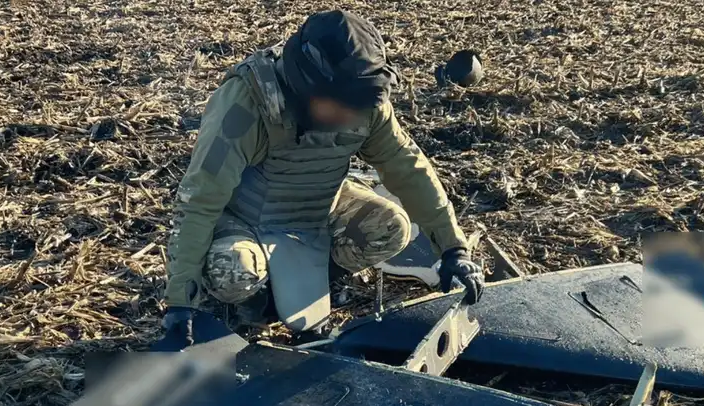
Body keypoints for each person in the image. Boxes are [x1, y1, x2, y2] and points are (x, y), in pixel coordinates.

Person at [160, 9, 484, 344]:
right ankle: (253, 302)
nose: (350, 116)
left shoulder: (363, 101)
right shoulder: (246, 103)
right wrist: (180, 306)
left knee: (390, 228)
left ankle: (313, 282)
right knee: (234, 269)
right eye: (340, 105)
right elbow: (199, 199)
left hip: (317, 206)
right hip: (244, 218)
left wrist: (453, 250)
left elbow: (408, 168)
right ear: (305, 84)